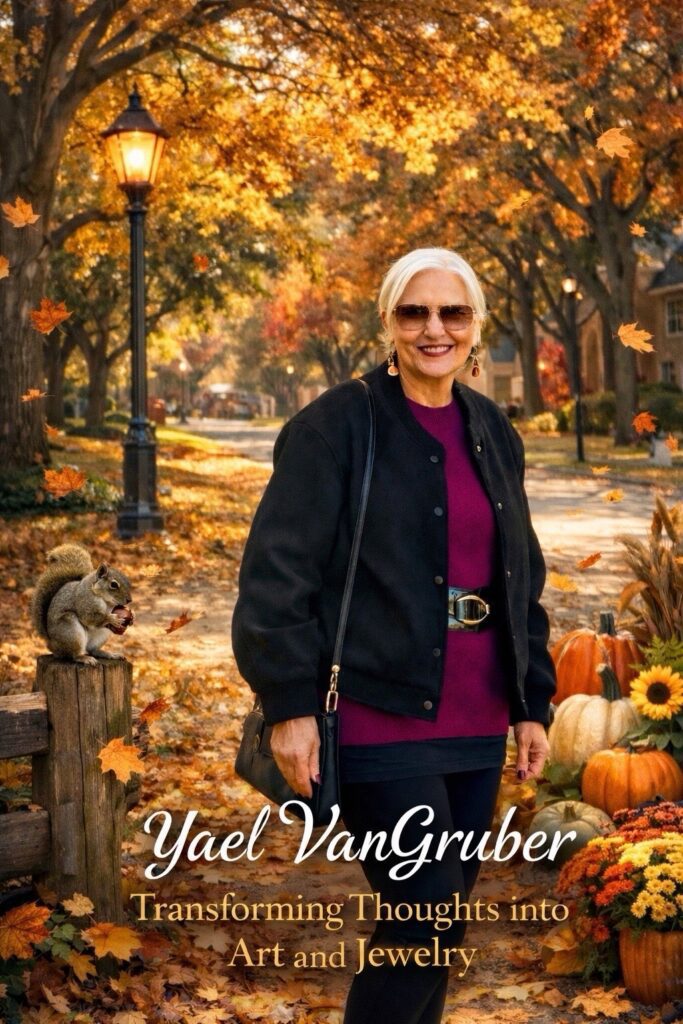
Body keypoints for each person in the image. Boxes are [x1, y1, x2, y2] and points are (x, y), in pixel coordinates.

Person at [232, 247, 556, 1024]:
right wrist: (289, 703)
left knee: (438, 931)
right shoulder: (334, 428)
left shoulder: (490, 428)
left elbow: (520, 575)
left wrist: (530, 701)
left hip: (476, 716)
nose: (434, 329)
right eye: (414, 312)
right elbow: (277, 576)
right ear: (387, 322)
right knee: (426, 920)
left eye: (452, 312)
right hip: (379, 710)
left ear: (476, 325)